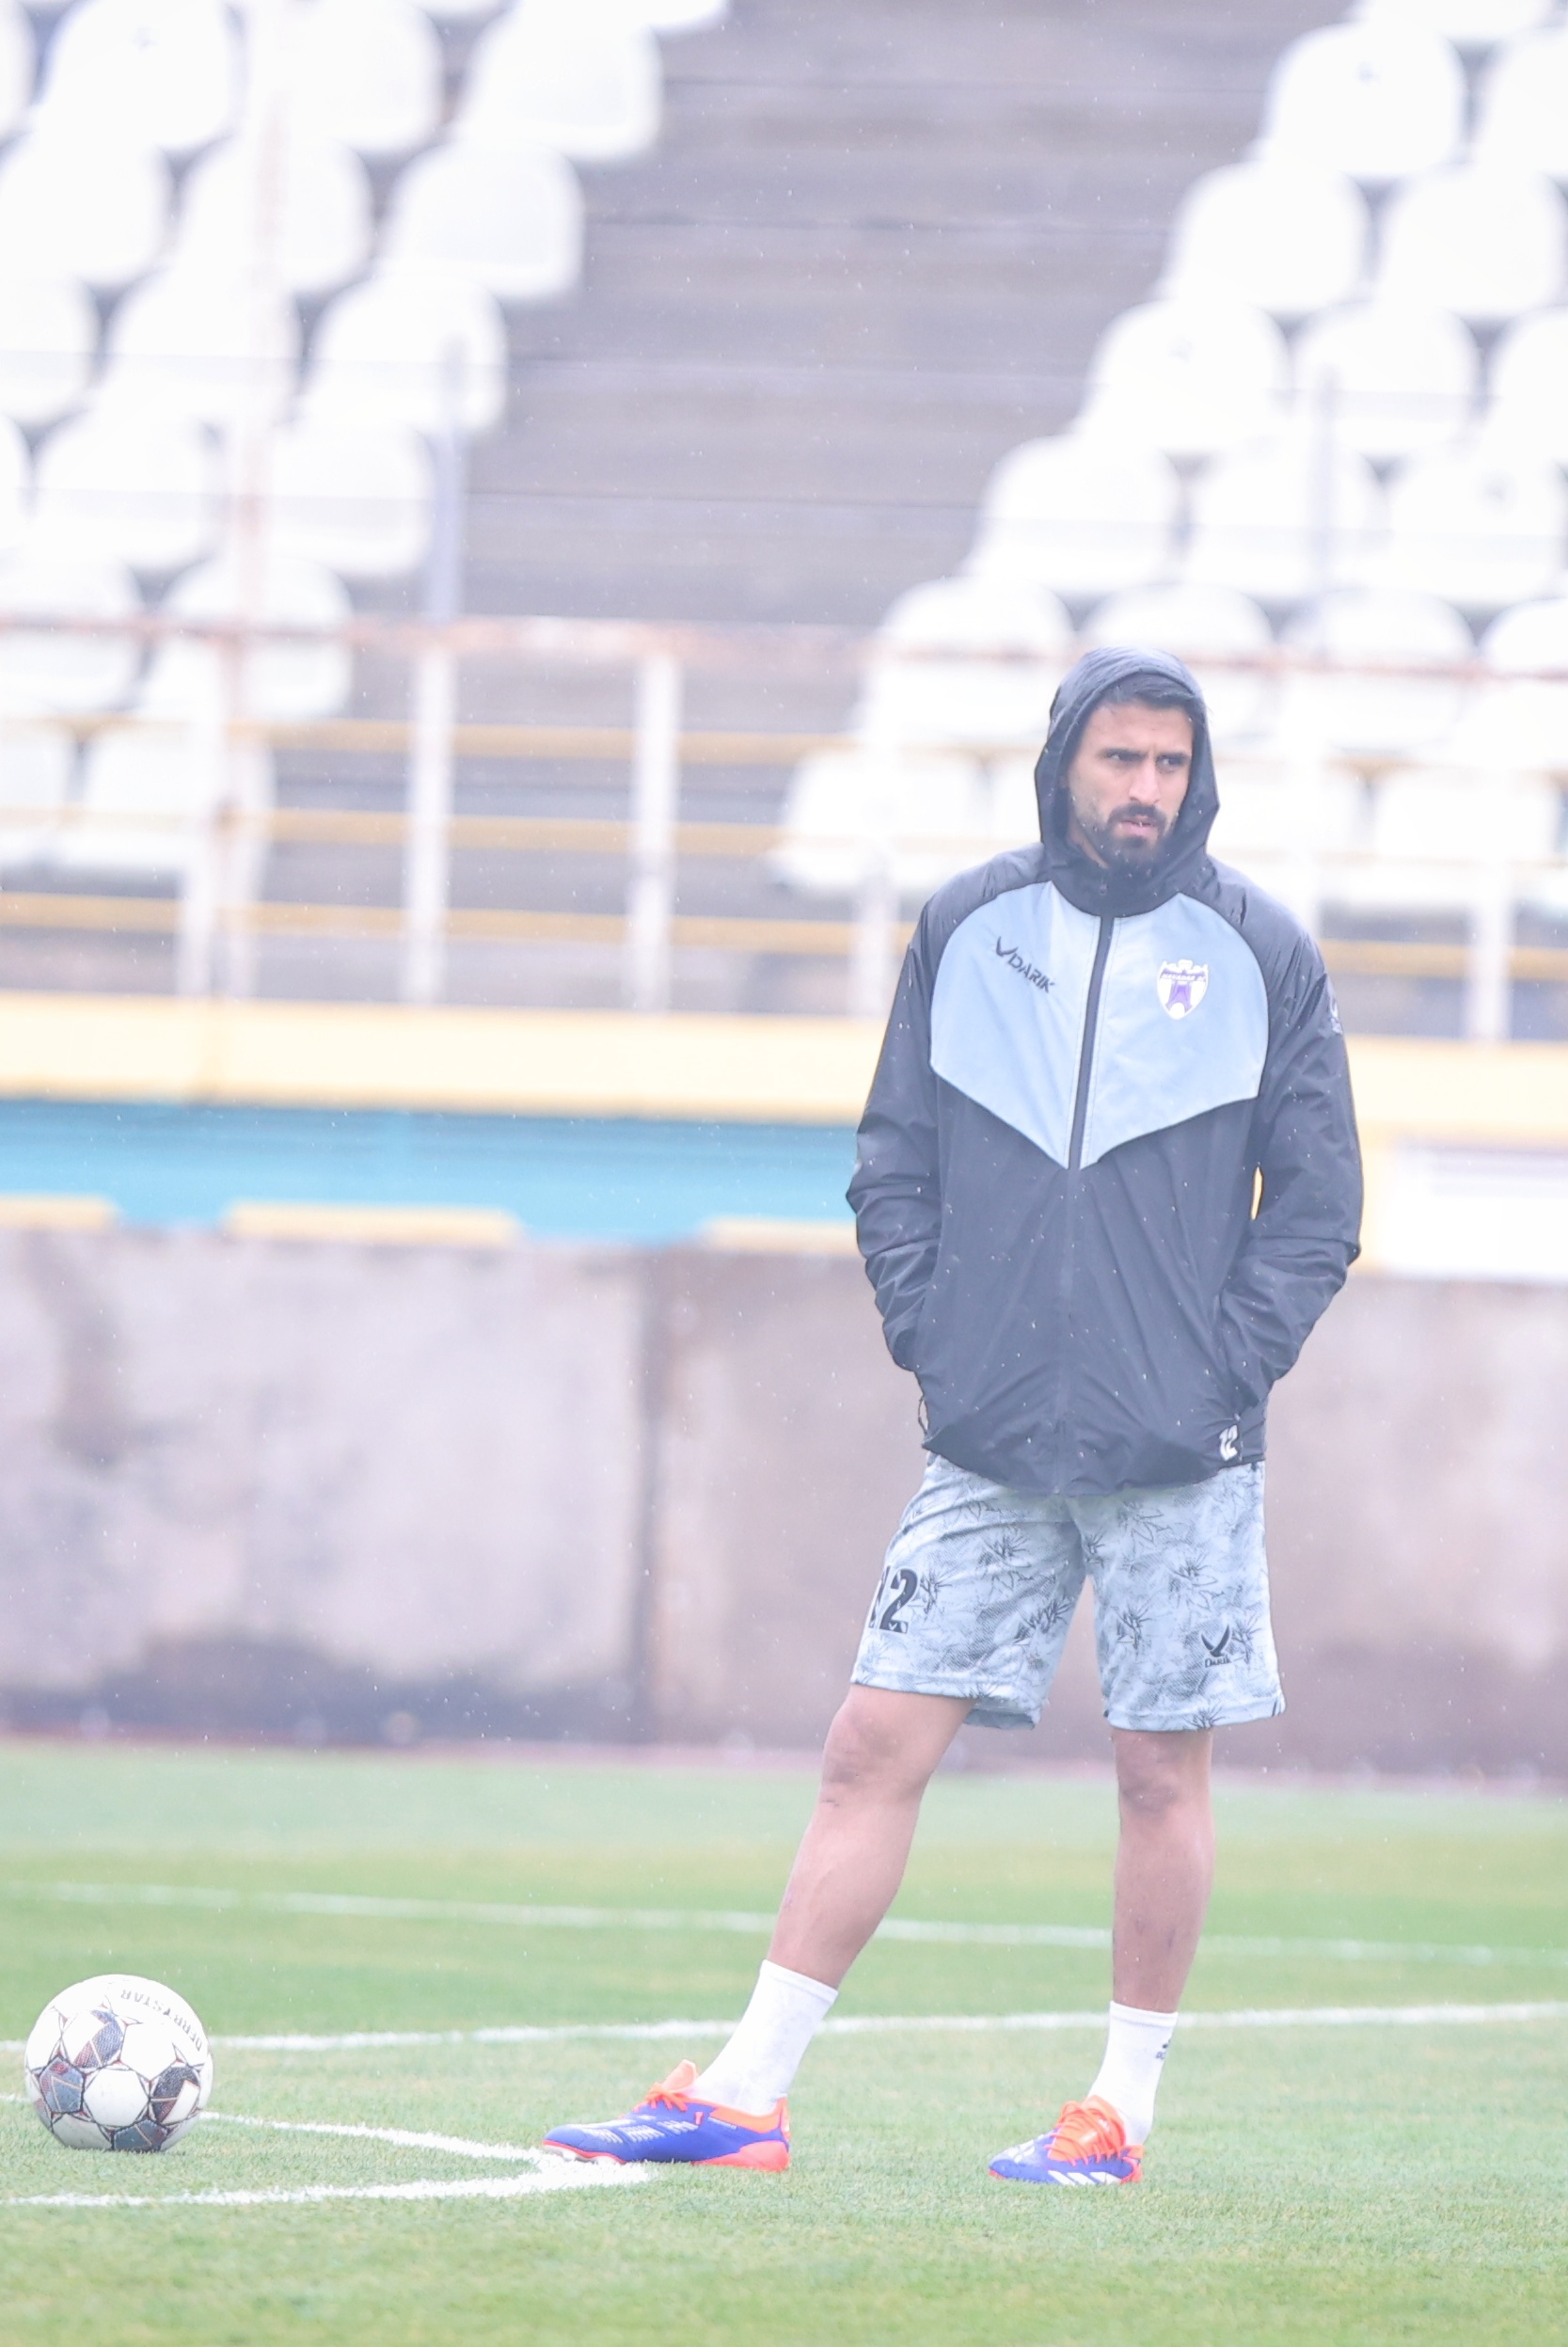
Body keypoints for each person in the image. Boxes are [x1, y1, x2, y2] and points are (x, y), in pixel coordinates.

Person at [542, 645, 1363, 2184]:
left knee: (1156, 1773)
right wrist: (938, 1341)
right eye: (1120, 759)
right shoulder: (967, 927)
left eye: (1171, 764)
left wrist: (1216, 1373)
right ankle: (746, 2096)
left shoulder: (1263, 951)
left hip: (1182, 1453)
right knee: (869, 1745)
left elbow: (1318, 1212)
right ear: (1065, 764)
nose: (1146, 789)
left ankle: (1117, 2113)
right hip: (991, 1440)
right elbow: (893, 1160)